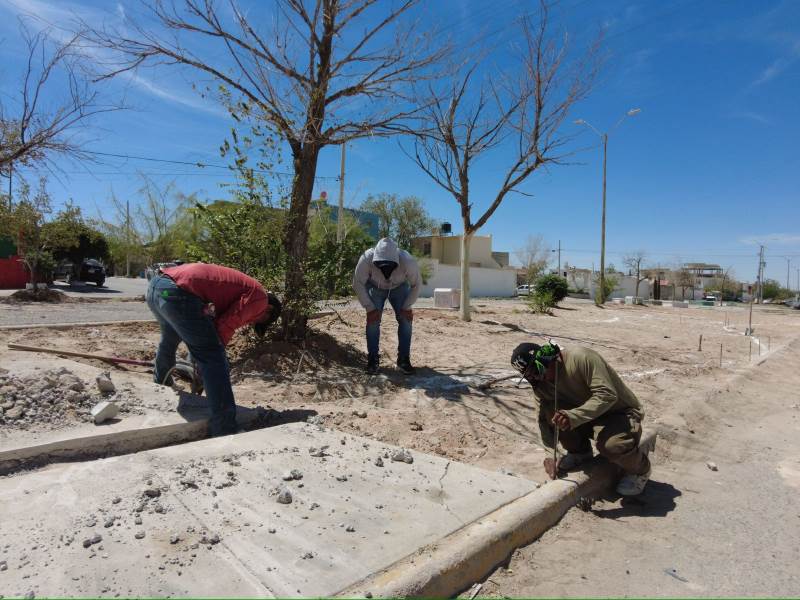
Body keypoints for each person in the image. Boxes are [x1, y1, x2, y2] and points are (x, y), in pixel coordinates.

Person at [145, 263, 281, 436]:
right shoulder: (261, 299)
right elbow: (226, 325)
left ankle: (161, 385)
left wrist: (198, 358)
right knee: (214, 357)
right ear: (269, 310)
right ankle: (224, 427)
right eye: (260, 320)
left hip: (159, 288)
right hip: (177, 293)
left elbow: (211, 320)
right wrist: (211, 356)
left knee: (170, 338)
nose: (254, 321)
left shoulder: (245, 288)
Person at [511, 341, 651, 495]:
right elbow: (543, 421)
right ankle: (580, 452)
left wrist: (573, 416)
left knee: (612, 446)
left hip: (618, 413)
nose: (536, 378)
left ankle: (641, 471)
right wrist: (550, 454)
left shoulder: (581, 358)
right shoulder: (540, 384)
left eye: (535, 371)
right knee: (551, 411)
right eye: (529, 376)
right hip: (587, 417)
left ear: (545, 358)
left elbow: (607, 395)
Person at [353, 237, 420, 375]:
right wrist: (369, 308)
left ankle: (403, 359)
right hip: (375, 287)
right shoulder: (366, 258)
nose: (385, 269)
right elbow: (357, 283)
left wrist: (407, 307)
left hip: (399, 287)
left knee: (406, 319)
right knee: (373, 320)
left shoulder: (407, 260)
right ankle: (373, 359)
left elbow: (416, 284)